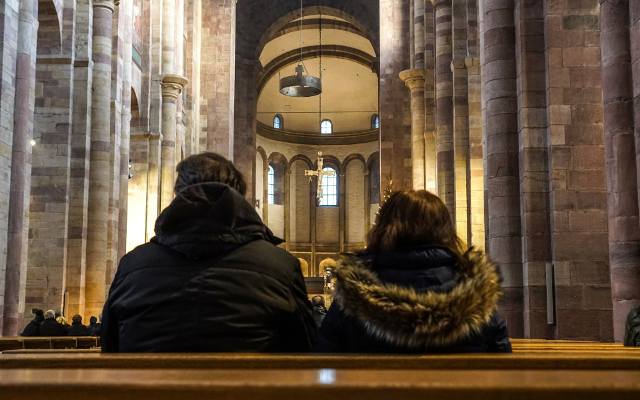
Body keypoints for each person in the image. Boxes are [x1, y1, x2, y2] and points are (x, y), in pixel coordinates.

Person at [101, 152, 317, 352]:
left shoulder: (133, 265)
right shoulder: (281, 267)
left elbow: (110, 347)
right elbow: (303, 350)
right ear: (240, 196)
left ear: (177, 194)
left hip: (144, 392)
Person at [316, 190, 512, 353]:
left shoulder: (354, 292)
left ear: (384, 228)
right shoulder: (475, 294)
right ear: (445, 230)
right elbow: (502, 359)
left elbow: (326, 355)